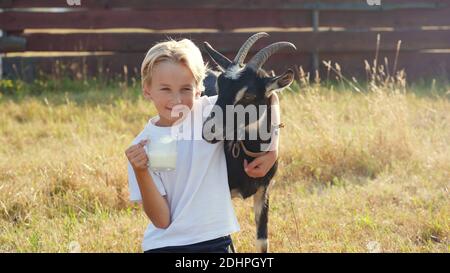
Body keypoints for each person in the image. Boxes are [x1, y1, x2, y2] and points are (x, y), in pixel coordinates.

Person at [125, 38, 279, 253]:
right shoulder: (143, 147)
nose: (176, 98)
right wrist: (141, 171)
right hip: (165, 246)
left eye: (186, 89)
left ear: (199, 89)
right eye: (165, 89)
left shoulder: (209, 112)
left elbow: (268, 97)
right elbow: (161, 220)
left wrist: (272, 149)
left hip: (216, 241)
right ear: (147, 90)